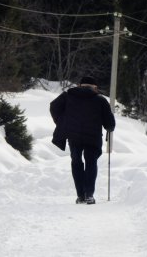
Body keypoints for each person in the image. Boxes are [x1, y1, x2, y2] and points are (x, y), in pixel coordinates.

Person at [50, 76, 116, 204]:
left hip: (74, 136)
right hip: (93, 137)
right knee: (91, 162)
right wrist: (109, 127)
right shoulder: (100, 100)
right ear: (95, 87)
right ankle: (89, 195)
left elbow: (54, 106)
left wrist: (62, 122)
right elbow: (109, 123)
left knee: (76, 162)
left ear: (80, 85)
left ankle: (80, 195)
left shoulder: (68, 96)